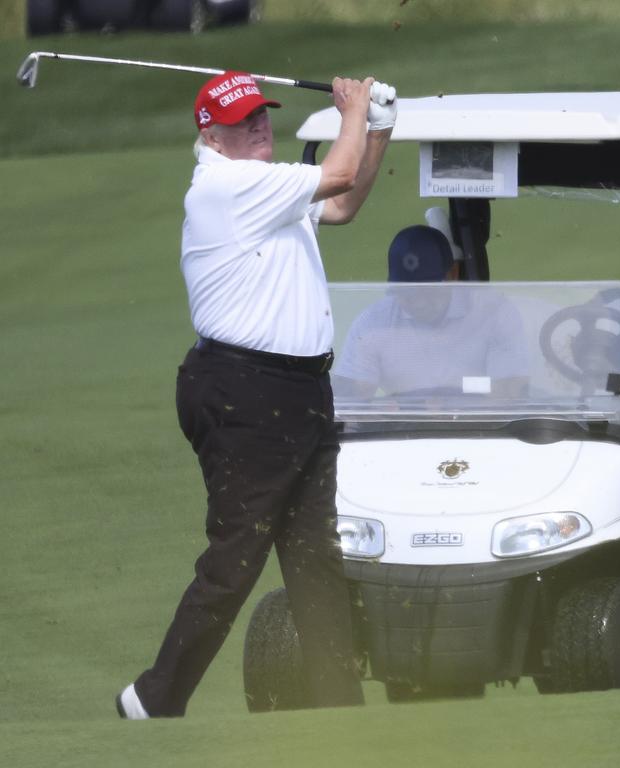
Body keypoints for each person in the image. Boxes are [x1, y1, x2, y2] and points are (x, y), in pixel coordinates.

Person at [116, 69, 396, 718]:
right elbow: (340, 175)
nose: (260, 125)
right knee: (237, 559)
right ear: (211, 136)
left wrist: (377, 127)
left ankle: (338, 708)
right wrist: (354, 110)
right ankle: (154, 698)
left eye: (262, 115)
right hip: (246, 392)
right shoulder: (228, 186)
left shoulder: (265, 187)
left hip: (296, 393)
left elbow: (343, 205)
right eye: (245, 122)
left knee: (315, 561)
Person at [334, 224, 529, 399]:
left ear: (453, 274)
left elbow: (510, 390)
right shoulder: (372, 323)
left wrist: (454, 398)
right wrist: (382, 408)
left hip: (480, 429)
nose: (418, 303)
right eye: (406, 293)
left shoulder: (495, 312)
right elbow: (351, 395)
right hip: (404, 429)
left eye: (427, 291)